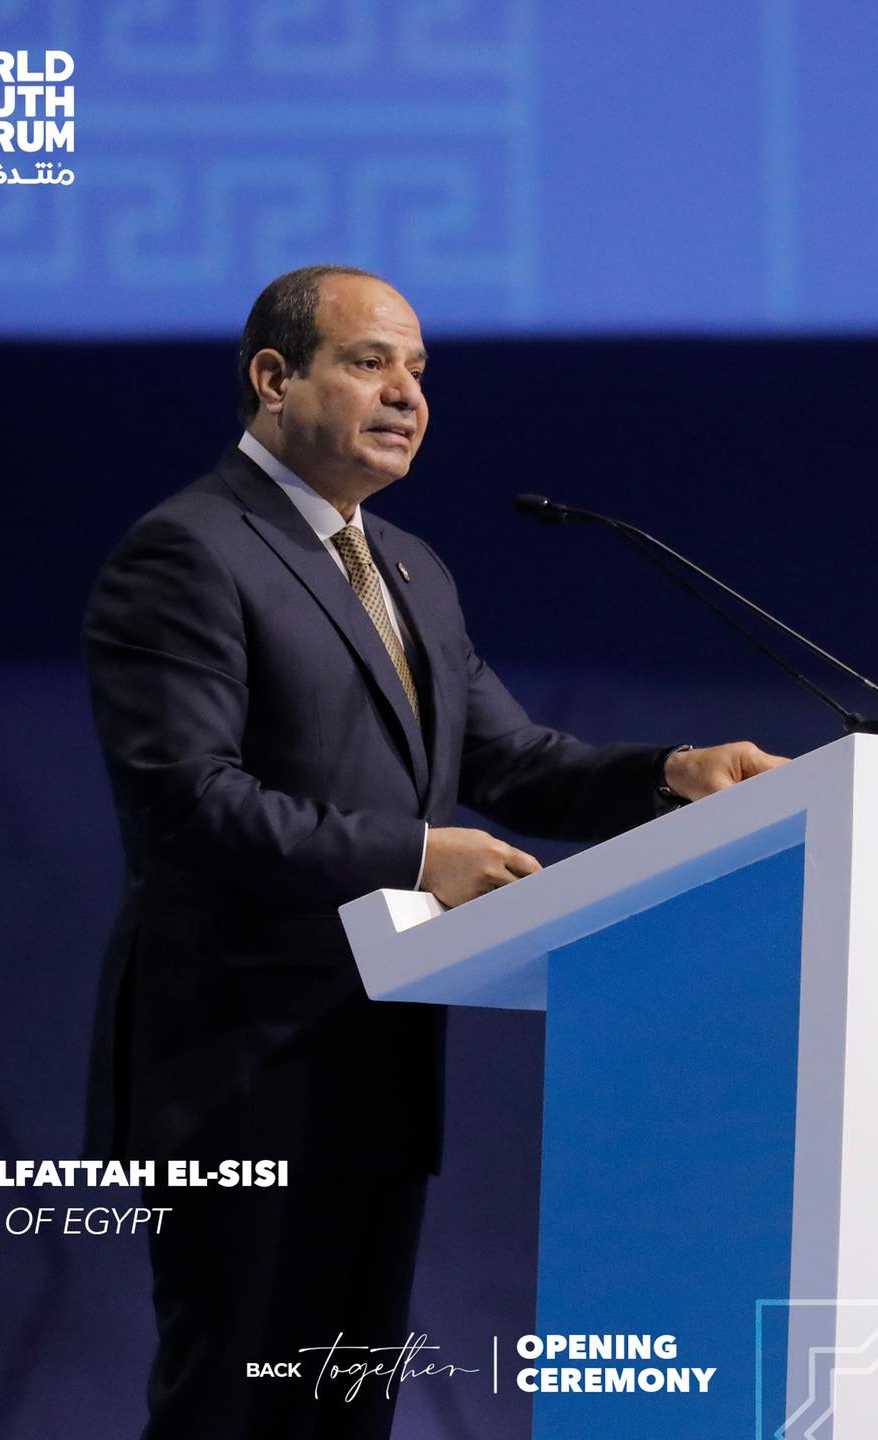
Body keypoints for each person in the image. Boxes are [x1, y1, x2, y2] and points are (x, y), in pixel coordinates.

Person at [81, 264, 785, 1439]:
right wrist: (415, 859)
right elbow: (187, 805)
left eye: (417, 370)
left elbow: (514, 762)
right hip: (239, 1067)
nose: (406, 393)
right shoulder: (188, 553)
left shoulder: (410, 569)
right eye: (370, 363)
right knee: (231, 1410)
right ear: (273, 378)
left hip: (378, 1064)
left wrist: (674, 772)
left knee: (345, 1414)